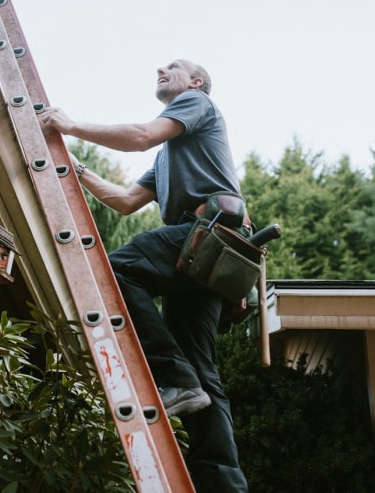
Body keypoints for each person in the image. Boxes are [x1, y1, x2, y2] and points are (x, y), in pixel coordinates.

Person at [40, 59, 249, 492]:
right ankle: (223, 484)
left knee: (116, 269)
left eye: (173, 65)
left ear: (195, 82)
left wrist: (71, 126)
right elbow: (124, 199)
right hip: (202, 260)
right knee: (203, 376)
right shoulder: (170, 156)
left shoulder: (198, 104)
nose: (160, 67)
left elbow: (139, 137)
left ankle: (173, 377)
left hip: (207, 239)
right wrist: (71, 165)